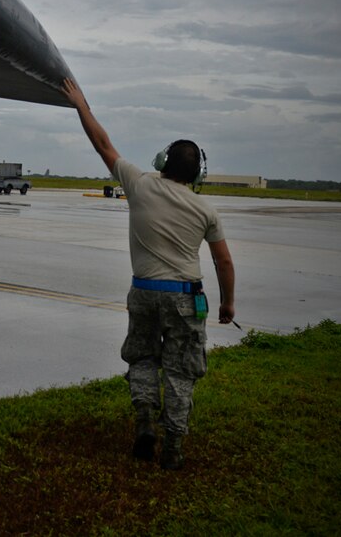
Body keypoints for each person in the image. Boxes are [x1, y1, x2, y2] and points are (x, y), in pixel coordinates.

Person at [62, 78, 236, 470]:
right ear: (197, 174)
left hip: (142, 291)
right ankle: (172, 447)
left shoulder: (139, 185)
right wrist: (227, 302)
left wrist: (80, 105)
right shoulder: (205, 210)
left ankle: (144, 423)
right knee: (180, 371)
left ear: (162, 163)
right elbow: (224, 262)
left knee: (142, 359)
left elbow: (103, 145)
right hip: (185, 297)